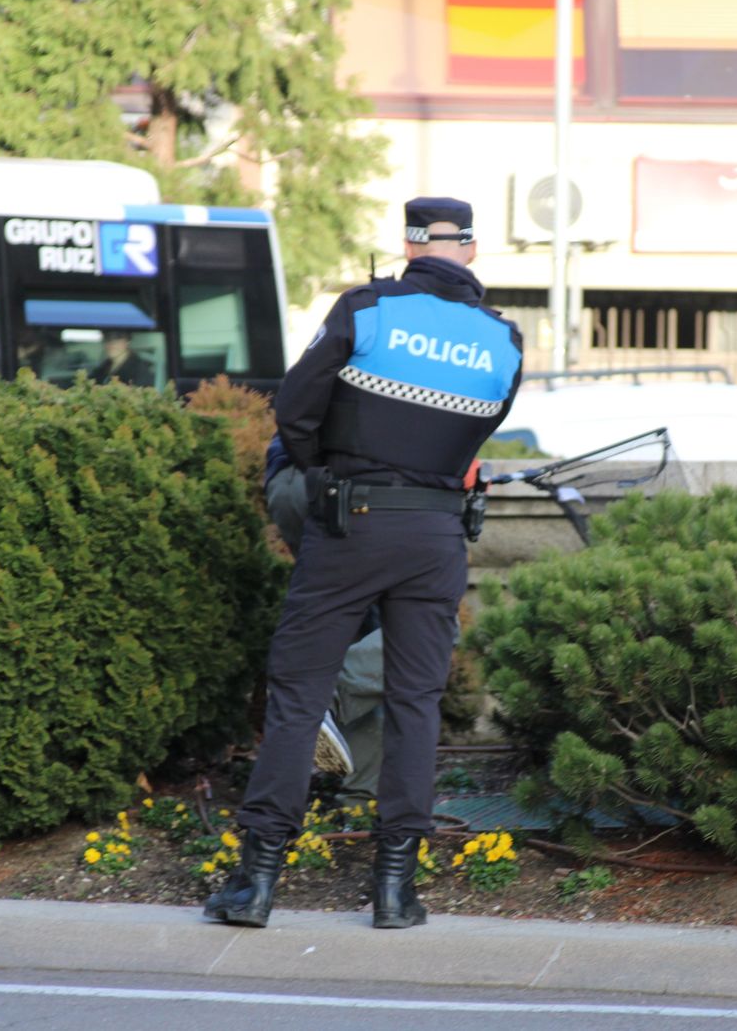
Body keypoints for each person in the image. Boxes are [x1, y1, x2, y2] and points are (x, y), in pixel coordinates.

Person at [204, 196, 522, 930]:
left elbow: (295, 409)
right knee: (415, 705)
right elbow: (474, 436)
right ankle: (394, 890)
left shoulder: (367, 309)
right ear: (470, 251)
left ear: (410, 245)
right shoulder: (503, 341)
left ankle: (255, 883)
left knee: (297, 695)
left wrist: (328, 477)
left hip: (353, 522)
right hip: (438, 535)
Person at [263, 433, 383, 806]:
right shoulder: (408, 373)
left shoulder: (325, 372)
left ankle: (362, 796)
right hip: (350, 486)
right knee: (432, 625)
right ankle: (319, 699)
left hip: (292, 478)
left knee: (358, 624)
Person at [90, 332, 155, 387]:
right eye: (107, 338)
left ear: (127, 341)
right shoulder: (101, 369)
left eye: (117, 338)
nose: (111, 343)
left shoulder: (139, 371)